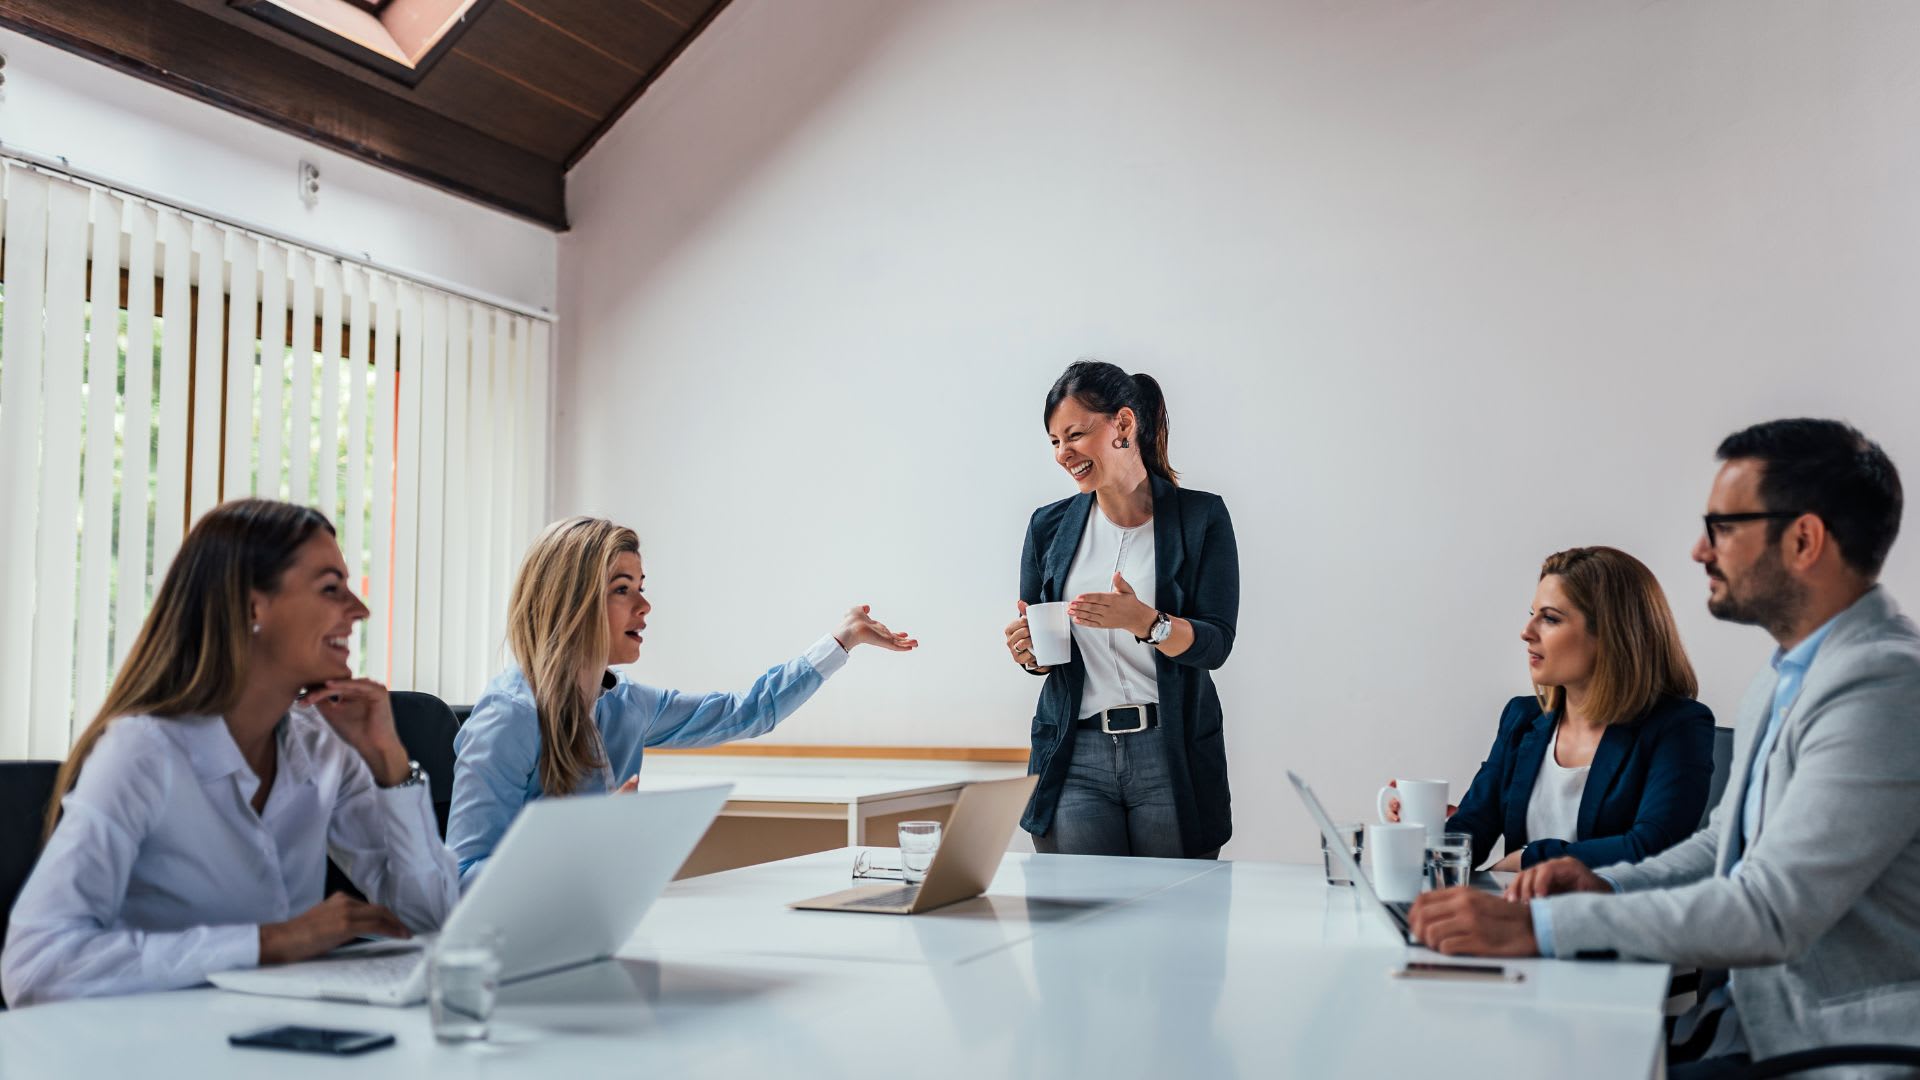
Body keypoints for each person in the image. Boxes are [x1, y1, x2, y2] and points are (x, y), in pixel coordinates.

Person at [1409, 419, 1920, 1077]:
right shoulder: (1786, 674)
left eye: (1723, 528)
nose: (1699, 552)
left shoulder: (1883, 687)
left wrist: (1543, 928)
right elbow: (1721, 849)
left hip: (1839, 1056)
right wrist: (1600, 884)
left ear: (1803, 539)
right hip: (1751, 1033)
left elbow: (1767, 909)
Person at [2, 500, 457, 1007]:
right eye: (331, 588)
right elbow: (34, 967)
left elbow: (431, 923)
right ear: (251, 607)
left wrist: (390, 765)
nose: (360, 610)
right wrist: (268, 943)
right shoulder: (144, 752)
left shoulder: (323, 743)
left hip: (273, 1038)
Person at [448, 516, 916, 886]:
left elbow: (746, 712)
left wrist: (841, 640)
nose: (644, 606)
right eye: (621, 590)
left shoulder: (625, 703)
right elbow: (461, 881)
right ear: (570, 602)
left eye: (641, 587)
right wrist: (578, 845)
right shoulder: (509, 719)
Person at [1002, 360, 1239, 858]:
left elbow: (1215, 644)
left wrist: (1146, 623)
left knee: (1173, 922)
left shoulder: (1201, 519)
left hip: (1168, 753)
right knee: (1077, 924)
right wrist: (1028, 653)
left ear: (1124, 424)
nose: (1064, 453)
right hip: (1075, 754)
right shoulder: (1047, 527)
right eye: (1053, 442)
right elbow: (1044, 652)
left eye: (1075, 434)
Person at [1387, 547, 1714, 872]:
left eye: (1551, 618)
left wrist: (1531, 858)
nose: (1527, 632)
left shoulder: (1679, 726)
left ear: (1611, 634)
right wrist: (1422, 834)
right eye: (1532, 615)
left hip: (1609, 920)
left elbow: (1652, 848)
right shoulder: (1521, 718)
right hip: (1514, 918)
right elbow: (1472, 829)